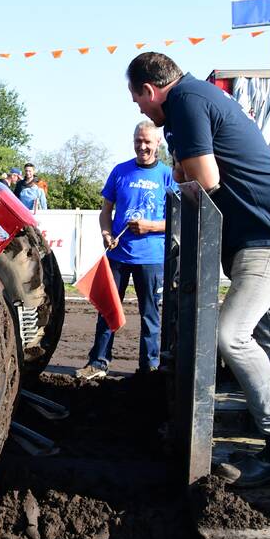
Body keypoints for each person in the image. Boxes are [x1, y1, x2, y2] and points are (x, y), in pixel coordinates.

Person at [126, 52, 270, 487]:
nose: (137, 107)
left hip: (268, 235)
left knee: (231, 335)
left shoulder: (187, 103)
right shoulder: (196, 98)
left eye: (136, 98)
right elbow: (191, 172)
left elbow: (204, 180)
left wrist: (184, 167)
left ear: (149, 90)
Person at [76, 120, 177, 381]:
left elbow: (178, 220)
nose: (142, 146)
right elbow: (105, 212)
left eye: (147, 142)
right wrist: (106, 234)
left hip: (151, 258)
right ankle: (98, 363)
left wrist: (150, 226)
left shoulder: (168, 176)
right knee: (107, 311)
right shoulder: (120, 171)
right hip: (118, 255)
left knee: (150, 316)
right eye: (138, 141)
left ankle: (149, 368)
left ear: (157, 143)